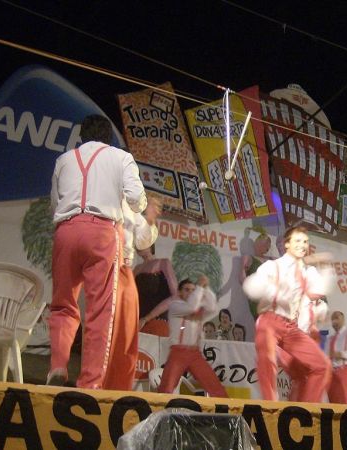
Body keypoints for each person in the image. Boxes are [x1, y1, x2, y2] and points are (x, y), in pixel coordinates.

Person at [47, 114, 147, 389]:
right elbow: (136, 198)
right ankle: (90, 383)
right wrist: (140, 206)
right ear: (109, 137)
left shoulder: (63, 160)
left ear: (81, 136)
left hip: (66, 231)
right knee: (99, 311)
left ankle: (58, 365)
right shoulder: (121, 157)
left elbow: (54, 204)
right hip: (102, 233)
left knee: (62, 304)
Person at [243, 226, 335, 402]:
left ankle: (305, 410)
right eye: (298, 241)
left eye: (305, 242)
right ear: (287, 244)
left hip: (291, 327)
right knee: (268, 363)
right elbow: (251, 288)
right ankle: (271, 407)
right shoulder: (273, 266)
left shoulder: (307, 272)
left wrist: (325, 266)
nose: (302, 245)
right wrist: (269, 289)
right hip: (270, 321)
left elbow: (320, 290)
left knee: (322, 366)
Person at [102, 196, 161, 390]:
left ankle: (119, 388)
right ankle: (97, 384)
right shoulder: (103, 198)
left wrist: (150, 220)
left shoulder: (131, 208)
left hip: (125, 274)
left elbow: (143, 239)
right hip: (106, 267)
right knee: (105, 334)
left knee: (126, 340)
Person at [158, 277, 228, 397]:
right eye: (186, 290)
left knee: (214, 385)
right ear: (179, 292)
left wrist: (205, 288)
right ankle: (158, 408)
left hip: (195, 353)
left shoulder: (196, 307)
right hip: (178, 352)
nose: (190, 292)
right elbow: (191, 308)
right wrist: (199, 287)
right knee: (166, 388)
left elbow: (212, 308)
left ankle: (227, 408)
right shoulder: (175, 306)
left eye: (192, 290)